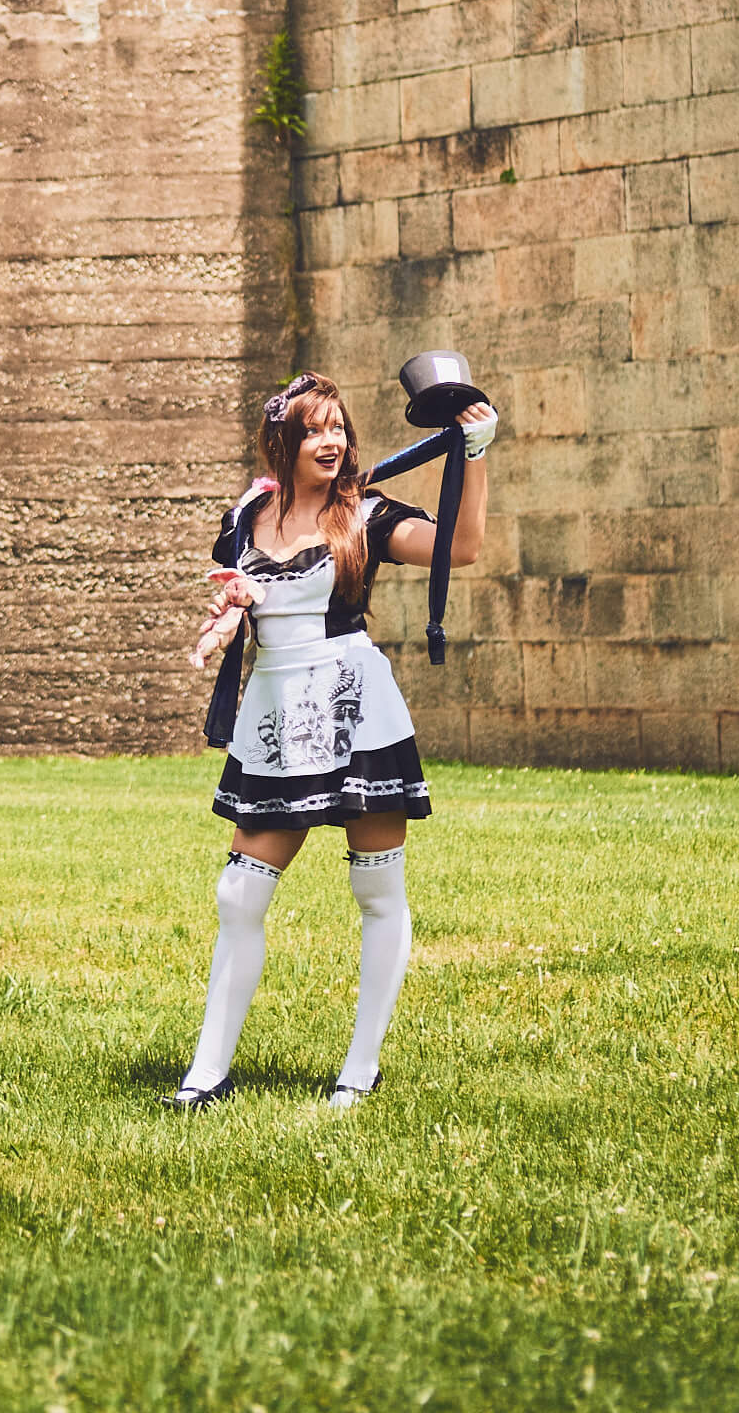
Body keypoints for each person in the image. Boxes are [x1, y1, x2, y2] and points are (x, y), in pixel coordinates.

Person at [167, 369, 496, 1113]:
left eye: (338, 428)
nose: (330, 440)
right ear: (280, 439)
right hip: (278, 717)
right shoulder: (245, 515)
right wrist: (228, 613)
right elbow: (242, 596)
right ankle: (204, 1076)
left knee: (375, 889)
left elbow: (462, 549)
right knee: (238, 892)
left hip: (354, 712)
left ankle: (358, 1069)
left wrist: (472, 456)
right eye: (313, 429)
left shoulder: (367, 516)